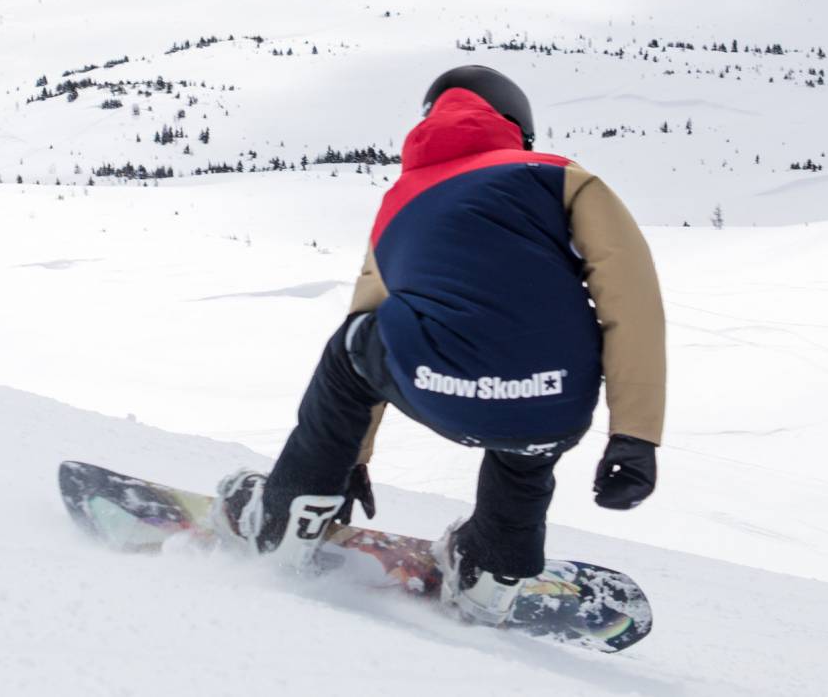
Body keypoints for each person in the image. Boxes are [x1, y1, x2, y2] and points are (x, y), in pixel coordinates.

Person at [213, 64, 666, 625]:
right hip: (552, 405)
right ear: (517, 128)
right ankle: (493, 569)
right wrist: (635, 436)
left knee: (351, 346)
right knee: (527, 444)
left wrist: (349, 457)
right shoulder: (564, 177)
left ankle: (288, 515)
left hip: (436, 387)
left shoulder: (399, 200)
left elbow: (371, 317)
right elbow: (631, 299)